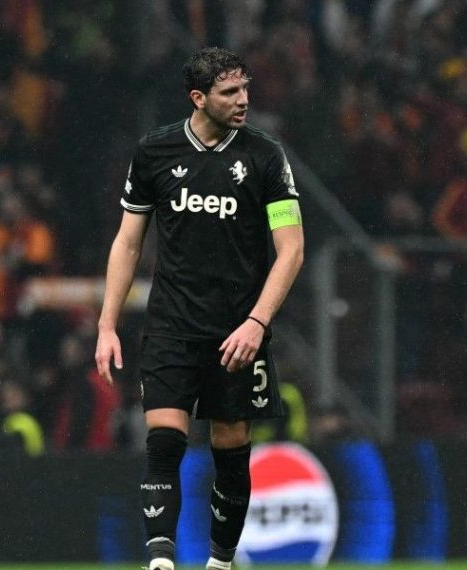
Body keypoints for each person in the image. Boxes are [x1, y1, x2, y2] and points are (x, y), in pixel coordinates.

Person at [94, 47, 305, 570]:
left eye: (245, 89)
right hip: (171, 325)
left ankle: (220, 562)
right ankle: (161, 560)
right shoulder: (155, 152)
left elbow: (292, 248)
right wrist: (107, 324)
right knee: (163, 439)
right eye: (230, 92)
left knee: (230, 450)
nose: (244, 100)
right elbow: (127, 244)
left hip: (238, 330)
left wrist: (257, 322)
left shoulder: (264, 156)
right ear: (198, 98)